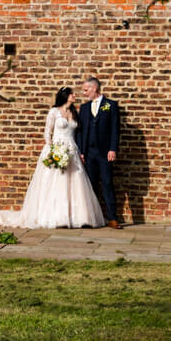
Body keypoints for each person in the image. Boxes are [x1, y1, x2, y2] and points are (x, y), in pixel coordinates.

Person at [0, 87, 106, 229]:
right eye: (72, 94)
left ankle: (76, 217)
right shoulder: (54, 112)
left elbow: (76, 133)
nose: (75, 95)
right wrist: (53, 151)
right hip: (56, 149)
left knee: (74, 184)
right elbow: (47, 133)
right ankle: (56, 217)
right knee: (55, 183)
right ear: (65, 96)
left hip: (72, 150)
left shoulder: (74, 112)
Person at [75, 74, 122, 228]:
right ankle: (92, 218)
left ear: (95, 88)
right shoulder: (84, 108)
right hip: (89, 153)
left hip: (104, 152)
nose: (84, 93)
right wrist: (81, 151)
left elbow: (115, 129)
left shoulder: (111, 105)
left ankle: (113, 218)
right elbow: (80, 131)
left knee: (107, 183)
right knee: (91, 185)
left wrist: (112, 149)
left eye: (86, 90)